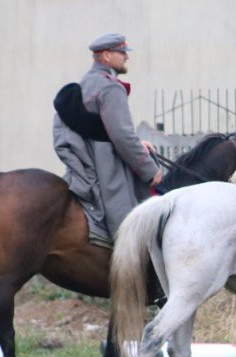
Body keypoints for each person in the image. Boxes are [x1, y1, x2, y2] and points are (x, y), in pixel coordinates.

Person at [53, 32, 162, 243]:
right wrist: (150, 170)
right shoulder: (110, 87)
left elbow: (99, 127)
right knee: (131, 227)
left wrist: (139, 143)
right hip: (106, 165)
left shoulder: (87, 81)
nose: (126, 57)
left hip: (87, 160)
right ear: (106, 56)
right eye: (121, 52)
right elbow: (122, 136)